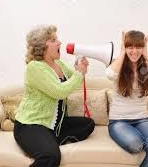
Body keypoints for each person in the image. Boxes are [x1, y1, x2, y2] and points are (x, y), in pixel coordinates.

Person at [13, 25, 95, 167]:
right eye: (53, 40)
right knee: (51, 156)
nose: (59, 43)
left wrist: (80, 67)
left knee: (88, 124)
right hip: (31, 124)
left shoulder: (58, 63)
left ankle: (48, 139)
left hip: (54, 125)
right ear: (41, 46)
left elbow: (74, 78)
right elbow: (60, 91)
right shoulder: (35, 67)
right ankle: (46, 143)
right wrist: (79, 73)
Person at [106, 30, 148, 167]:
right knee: (136, 145)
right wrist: (123, 52)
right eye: (130, 47)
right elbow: (110, 74)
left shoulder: (145, 67)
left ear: (143, 47)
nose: (134, 51)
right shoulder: (118, 64)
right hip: (118, 122)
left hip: (142, 119)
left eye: (138, 47)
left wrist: (146, 54)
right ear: (125, 47)